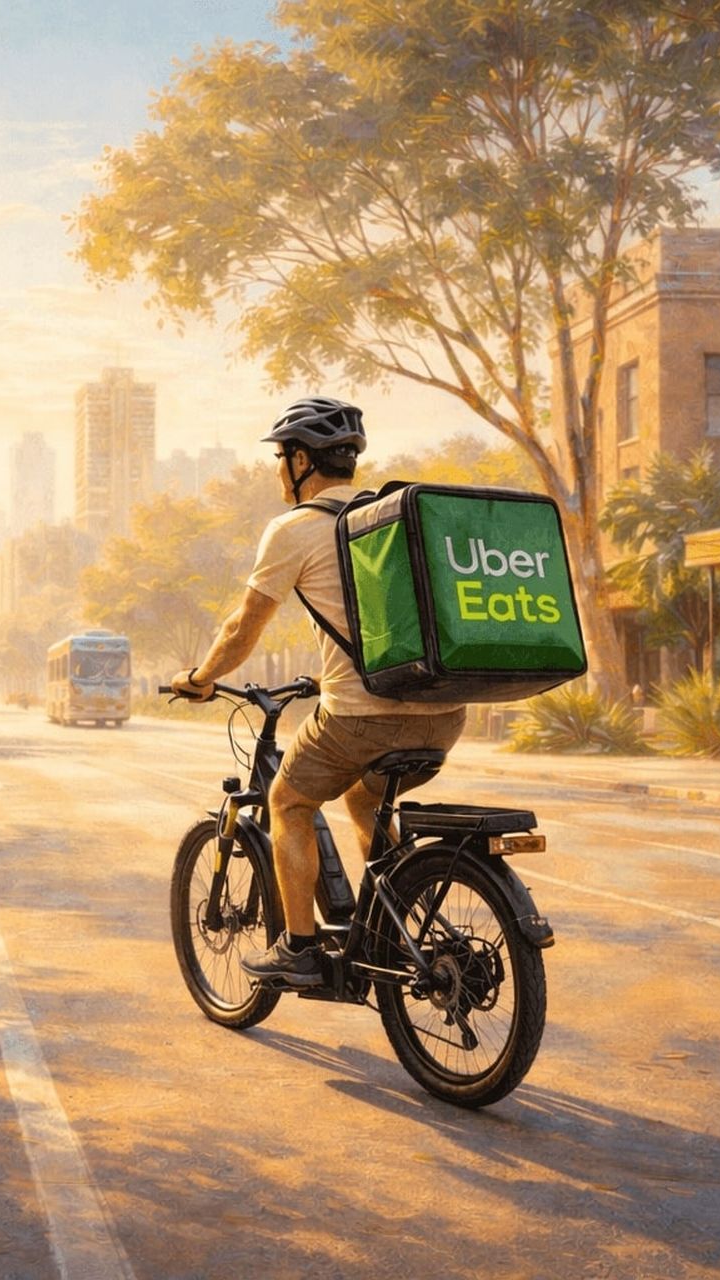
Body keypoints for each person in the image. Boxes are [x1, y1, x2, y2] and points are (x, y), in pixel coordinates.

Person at [169, 397, 467, 988]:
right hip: (445, 713)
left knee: (288, 803)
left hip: (362, 717)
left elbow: (242, 627)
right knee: (362, 798)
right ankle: (392, 919)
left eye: (281, 458)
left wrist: (202, 678)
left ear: (301, 460)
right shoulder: (388, 521)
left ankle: (300, 949)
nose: (279, 470)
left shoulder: (295, 529)